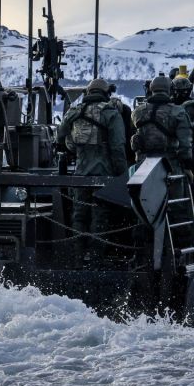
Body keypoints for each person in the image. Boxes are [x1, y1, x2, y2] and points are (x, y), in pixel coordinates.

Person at [56, 78, 127, 263]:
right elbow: (118, 146)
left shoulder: (74, 111)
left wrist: (72, 146)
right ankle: (96, 257)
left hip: (80, 174)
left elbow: (60, 135)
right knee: (100, 215)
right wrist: (122, 174)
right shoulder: (110, 113)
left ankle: (78, 256)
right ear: (106, 93)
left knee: (79, 214)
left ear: (88, 92)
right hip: (104, 174)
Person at [130, 75, 193, 175]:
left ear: (151, 89)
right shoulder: (178, 112)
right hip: (170, 165)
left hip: (143, 165)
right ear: (170, 90)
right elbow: (185, 144)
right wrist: (187, 167)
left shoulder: (137, 112)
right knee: (178, 190)